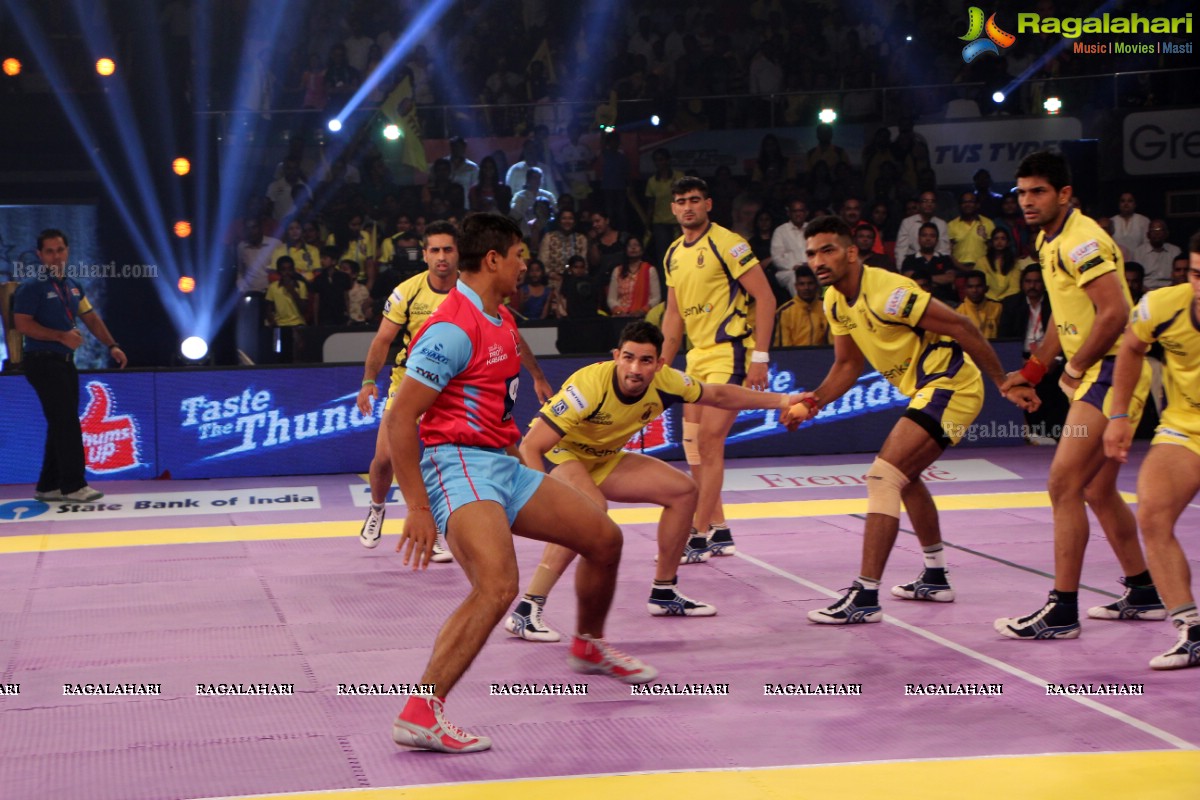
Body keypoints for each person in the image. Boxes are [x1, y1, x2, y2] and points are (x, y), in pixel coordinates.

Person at [387, 213, 657, 754]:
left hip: (502, 463)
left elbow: (497, 400)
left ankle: (587, 644)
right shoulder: (450, 328)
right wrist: (416, 507)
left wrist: (521, 458)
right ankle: (421, 711)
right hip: (458, 464)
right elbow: (399, 420)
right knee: (498, 588)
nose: (524, 265)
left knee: (604, 538)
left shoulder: (501, 317)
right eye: (519, 256)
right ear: (493, 260)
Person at [788, 216, 1038, 625]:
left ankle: (866, 595)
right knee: (905, 478)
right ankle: (935, 575)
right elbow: (848, 365)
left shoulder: (890, 293)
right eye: (812, 253)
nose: (818, 260)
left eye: (828, 250)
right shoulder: (834, 300)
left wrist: (1003, 381)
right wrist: (813, 401)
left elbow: (961, 325)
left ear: (852, 253)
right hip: (929, 388)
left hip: (950, 384)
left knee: (883, 476)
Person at [505, 320, 809, 640]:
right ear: (616, 355)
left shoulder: (667, 382)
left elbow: (718, 395)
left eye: (645, 360)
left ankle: (664, 591)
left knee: (683, 491)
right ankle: (527, 609)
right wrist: (544, 500)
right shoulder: (588, 385)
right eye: (628, 357)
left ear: (659, 364)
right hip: (562, 454)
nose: (635, 368)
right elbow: (531, 445)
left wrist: (784, 401)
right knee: (590, 510)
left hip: (603, 458)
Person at [996, 151, 1162, 640]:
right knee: (1095, 489)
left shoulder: (1083, 240)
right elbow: (1062, 324)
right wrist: (1030, 371)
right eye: (1022, 192)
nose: (1026, 201)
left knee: (1063, 485)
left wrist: (1073, 368)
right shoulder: (1050, 241)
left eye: (1038, 192)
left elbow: (1114, 313)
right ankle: (1144, 591)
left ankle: (1061, 611)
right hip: (1098, 371)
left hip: (1112, 371)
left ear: (1064, 194)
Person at [357, 221, 552, 558]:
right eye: (435, 250)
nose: (442, 257)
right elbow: (383, 340)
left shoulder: (477, 293)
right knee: (386, 456)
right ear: (425, 255)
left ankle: (434, 526)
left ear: (459, 254)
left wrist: (537, 376)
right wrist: (368, 381)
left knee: (438, 454)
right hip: (411, 381)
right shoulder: (408, 291)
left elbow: (513, 339)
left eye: (448, 250)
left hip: (456, 387)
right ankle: (376, 507)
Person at [659, 176, 777, 557]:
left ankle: (696, 533)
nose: (687, 206)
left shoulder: (729, 244)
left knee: (710, 441)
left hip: (731, 353)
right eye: (680, 201)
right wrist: (661, 364)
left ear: (708, 204)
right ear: (673, 208)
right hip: (696, 359)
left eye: (694, 199)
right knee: (694, 446)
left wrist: (760, 357)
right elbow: (673, 315)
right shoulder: (673, 253)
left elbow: (766, 297)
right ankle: (719, 529)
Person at [1102, 231, 1200, 669]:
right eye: (1198, 274)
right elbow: (1130, 347)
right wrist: (1120, 416)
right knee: (1153, 515)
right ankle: (1193, 631)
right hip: (1185, 429)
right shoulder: (1161, 305)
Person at [13, 229, 127, 503]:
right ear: (40, 255)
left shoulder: (73, 286)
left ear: (67, 251)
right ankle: (74, 485)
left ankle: (48, 485)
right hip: (42, 361)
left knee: (60, 422)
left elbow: (90, 318)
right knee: (66, 423)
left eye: (60, 250)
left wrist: (112, 345)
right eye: (49, 251)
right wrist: (60, 336)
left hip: (65, 361)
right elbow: (22, 324)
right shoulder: (32, 286)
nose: (56, 256)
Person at [773, 266, 829, 346]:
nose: (806, 288)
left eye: (810, 283)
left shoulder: (827, 306)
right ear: (796, 286)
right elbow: (783, 349)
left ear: (816, 285)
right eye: (802, 284)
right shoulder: (785, 312)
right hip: (795, 357)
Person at [607, 238, 660, 317]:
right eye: (630, 246)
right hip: (620, 316)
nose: (633, 248)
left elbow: (656, 298)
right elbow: (611, 298)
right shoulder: (617, 270)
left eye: (636, 245)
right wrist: (619, 312)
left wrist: (641, 311)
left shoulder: (650, 270)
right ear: (625, 250)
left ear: (642, 250)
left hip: (643, 316)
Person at [958, 270, 1002, 339]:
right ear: (965, 289)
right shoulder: (958, 312)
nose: (974, 290)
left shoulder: (997, 308)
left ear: (986, 288)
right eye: (970, 287)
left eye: (978, 286)